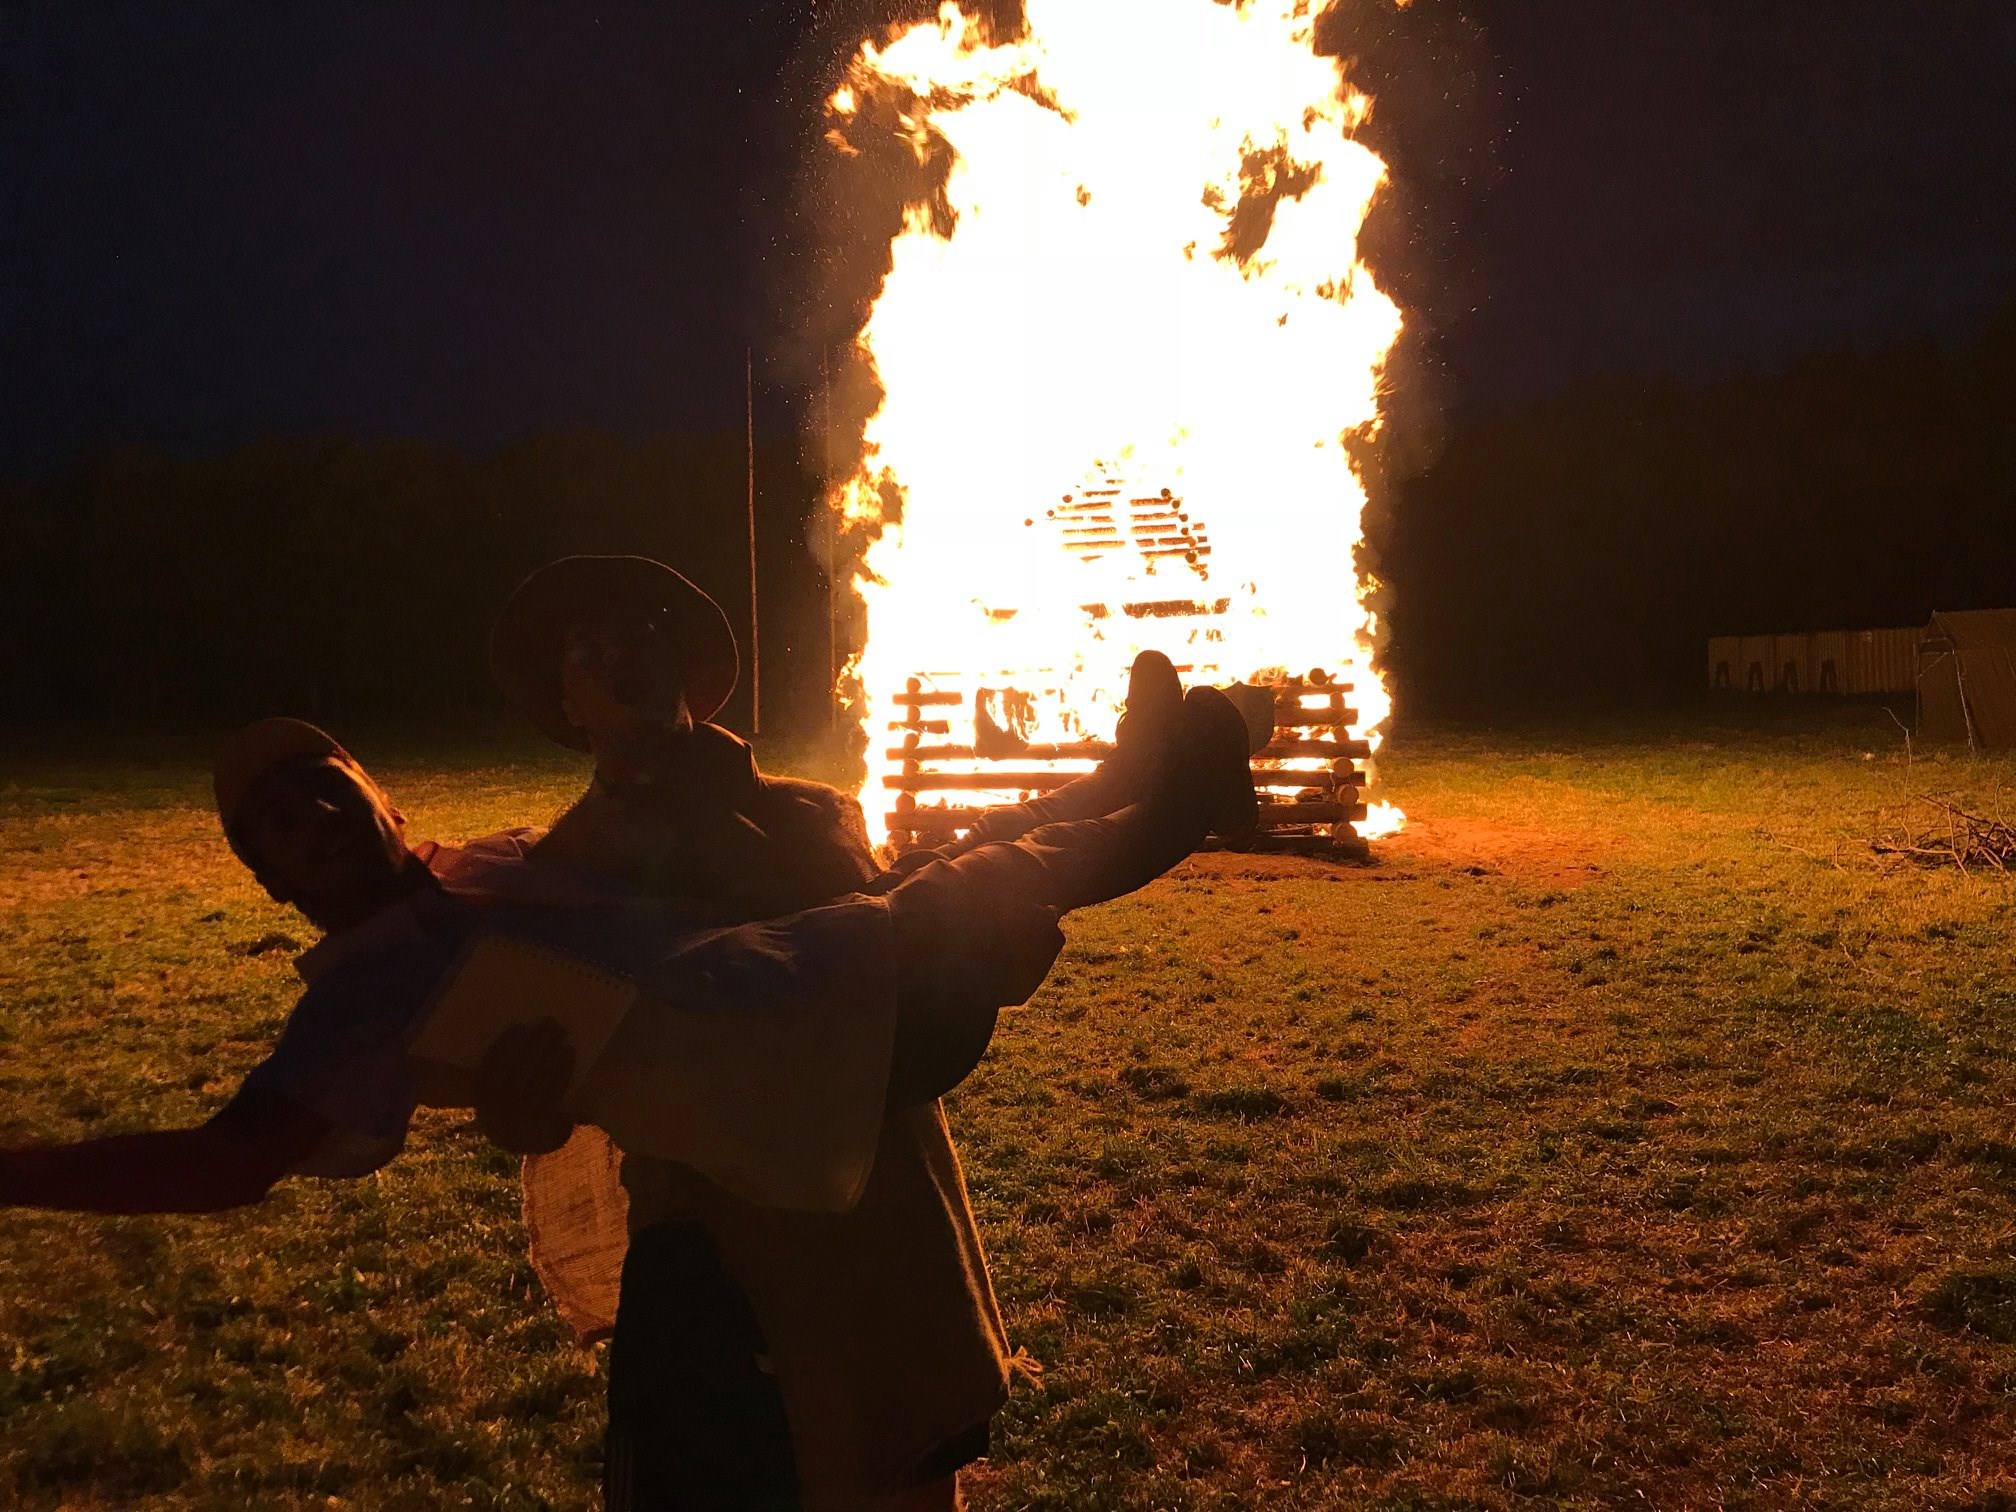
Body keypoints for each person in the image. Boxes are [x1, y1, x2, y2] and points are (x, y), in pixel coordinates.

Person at [0, 690, 1251, 1504]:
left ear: (384, 799)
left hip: (770, 973)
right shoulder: (363, 996)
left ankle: (1133, 772)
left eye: (327, 784)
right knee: (963, 897)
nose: (313, 817)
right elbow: (229, 1161)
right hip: (756, 1065)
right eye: (274, 822)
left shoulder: (490, 869)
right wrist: (21, 1172)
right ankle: (1180, 810)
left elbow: (637, 836)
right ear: (268, 881)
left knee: (941, 871)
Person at [482, 557, 1252, 1510]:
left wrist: (976, 957)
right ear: (568, 698)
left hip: (877, 1197)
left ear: (682, 666)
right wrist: (520, 1101)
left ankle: (1128, 785)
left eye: (641, 634)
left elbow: (887, 944)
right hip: (721, 1238)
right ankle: (1150, 809)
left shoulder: (809, 813)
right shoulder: (571, 873)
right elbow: (563, 1065)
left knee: (944, 877)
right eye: (588, 649)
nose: (618, 657)